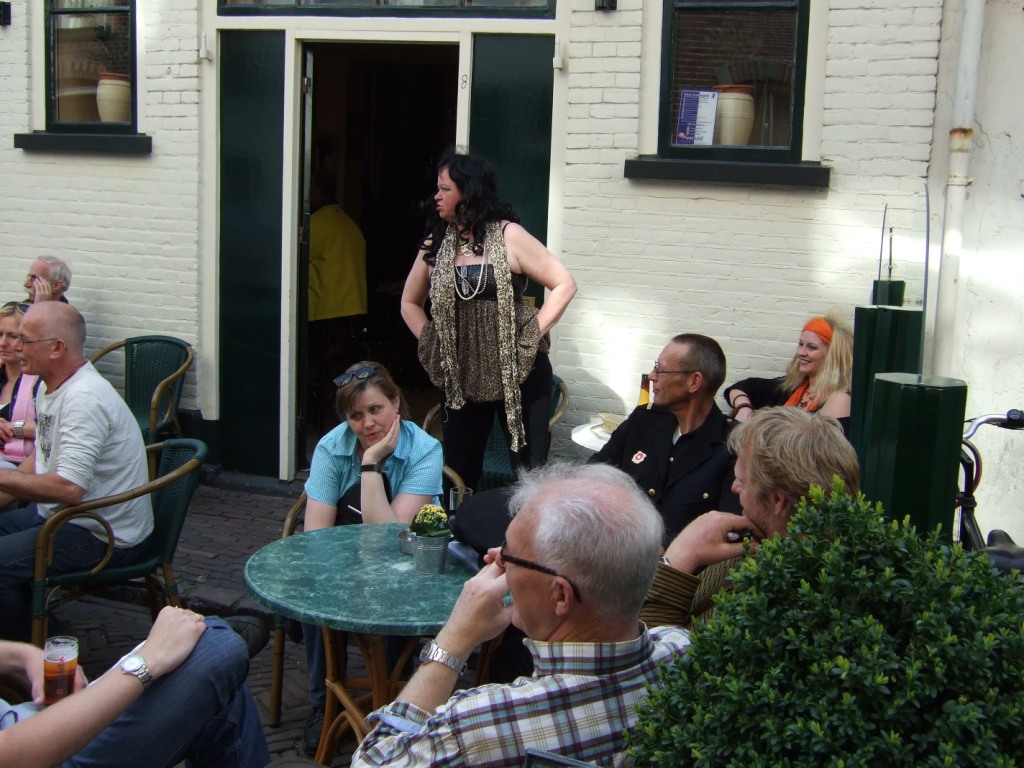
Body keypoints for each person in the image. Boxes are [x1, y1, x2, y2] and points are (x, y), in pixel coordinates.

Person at [350, 462, 690, 768]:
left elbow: (372, 761)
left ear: (560, 595)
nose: (493, 557)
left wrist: (454, 639)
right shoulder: (683, 651)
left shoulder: (481, 724)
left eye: (510, 553)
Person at [400, 148, 577, 490]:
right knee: (458, 470)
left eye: (445, 189)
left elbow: (564, 284)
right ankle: (462, 523)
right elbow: (409, 302)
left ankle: (529, 526)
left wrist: (528, 337)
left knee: (530, 471)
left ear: (469, 193)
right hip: (461, 373)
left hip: (519, 369)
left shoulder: (509, 236)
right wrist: (433, 341)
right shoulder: (436, 243)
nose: (436, 196)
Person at [301, 360, 443, 755]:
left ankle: (397, 702)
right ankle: (323, 702)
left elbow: (389, 538)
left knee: (398, 598)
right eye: (355, 416)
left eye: (376, 409)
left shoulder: (425, 450)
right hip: (341, 556)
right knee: (314, 591)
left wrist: (370, 464)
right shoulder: (332, 448)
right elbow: (316, 536)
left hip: (405, 561)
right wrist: (342, 573)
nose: (367, 424)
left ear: (396, 403)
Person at [0, 302, 152, 641]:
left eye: (24, 340)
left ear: (57, 348)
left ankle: (45, 650)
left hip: (103, 533)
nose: (17, 348)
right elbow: (42, 457)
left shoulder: (84, 399)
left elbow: (68, 488)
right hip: (64, 517)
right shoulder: (50, 386)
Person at [641, 406, 861, 628]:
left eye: (742, 481)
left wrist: (680, 557)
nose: (734, 488)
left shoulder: (774, 597)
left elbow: (649, 646)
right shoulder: (759, 543)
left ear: (777, 500)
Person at [0, 606, 271, 768]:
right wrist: (147, 661)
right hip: (33, 755)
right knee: (217, 649)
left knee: (219, 698)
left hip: (21, 722)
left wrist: (23, 655)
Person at [590, 333, 740, 541]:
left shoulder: (733, 447)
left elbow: (729, 531)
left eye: (660, 369)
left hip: (679, 561)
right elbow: (592, 476)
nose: (652, 376)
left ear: (694, 381)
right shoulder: (643, 421)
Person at [308, 169, 368, 432]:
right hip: (354, 308)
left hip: (324, 310)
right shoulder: (349, 224)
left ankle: (322, 421)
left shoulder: (316, 224)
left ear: (314, 191)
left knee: (318, 372)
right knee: (346, 373)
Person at [724, 310, 853, 432]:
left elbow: (824, 445)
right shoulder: (792, 387)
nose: (801, 352)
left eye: (811, 347)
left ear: (831, 356)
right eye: (801, 344)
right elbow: (740, 388)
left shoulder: (839, 400)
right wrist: (743, 407)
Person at [0, 303, 40, 468]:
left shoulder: (41, 380)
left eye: (12, 336)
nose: (3, 343)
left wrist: (8, 427)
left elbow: (50, 427)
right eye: (0, 334)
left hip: (22, 462)